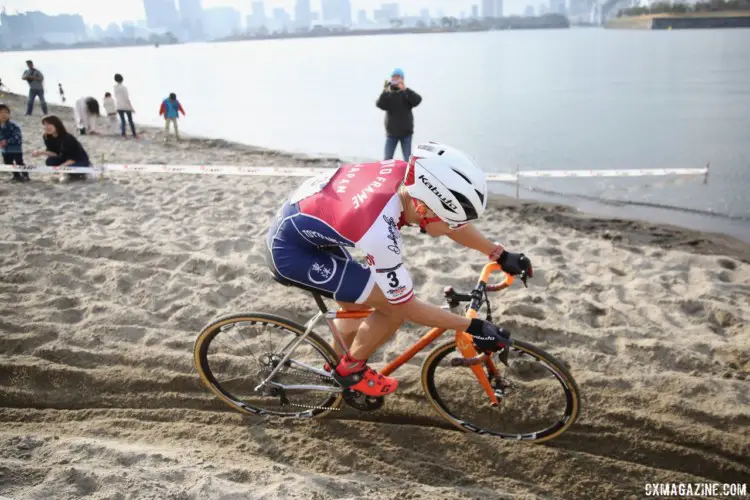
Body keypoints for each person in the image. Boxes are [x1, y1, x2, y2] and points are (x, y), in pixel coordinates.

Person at [265, 142, 533, 397]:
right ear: (424, 208)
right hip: (292, 251)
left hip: (310, 222)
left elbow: (452, 223)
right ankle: (351, 370)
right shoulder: (380, 233)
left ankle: (334, 365)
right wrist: (472, 325)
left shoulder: (408, 177)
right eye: (450, 222)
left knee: (354, 302)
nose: (454, 228)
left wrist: (498, 253)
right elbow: (406, 307)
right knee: (391, 309)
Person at [376, 68, 422, 161]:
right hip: (391, 133)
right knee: (387, 159)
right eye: (393, 77)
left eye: (398, 77)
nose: (395, 79)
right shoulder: (388, 94)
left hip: (406, 133)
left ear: (402, 79)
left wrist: (405, 89)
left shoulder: (406, 94)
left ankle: (408, 174)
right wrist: (385, 90)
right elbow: (379, 104)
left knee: (407, 159)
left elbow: (418, 100)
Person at [32, 115, 92, 183]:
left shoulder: (68, 138)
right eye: (44, 124)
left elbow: (73, 158)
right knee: (50, 161)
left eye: (49, 124)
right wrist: (40, 152)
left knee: (71, 170)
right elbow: (54, 153)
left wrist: (61, 168)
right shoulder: (46, 136)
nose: (46, 127)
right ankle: (65, 171)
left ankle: (84, 169)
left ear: (56, 125)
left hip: (78, 160)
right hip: (63, 158)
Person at [0, 104, 29, 182]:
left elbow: (17, 136)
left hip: (15, 148)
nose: (3, 115)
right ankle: (16, 176)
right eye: (1, 112)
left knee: (19, 162)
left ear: (9, 114)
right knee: (8, 163)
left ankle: (25, 175)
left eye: (6, 112)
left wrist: (7, 141)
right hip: (5, 149)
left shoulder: (13, 125)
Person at [113, 73, 137, 138]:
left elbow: (117, 97)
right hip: (126, 106)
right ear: (122, 79)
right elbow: (126, 98)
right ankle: (134, 134)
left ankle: (123, 134)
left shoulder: (115, 88)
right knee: (130, 121)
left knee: (123, 121)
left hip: (118, 106)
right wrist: (132, 108)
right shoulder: (123, 87)